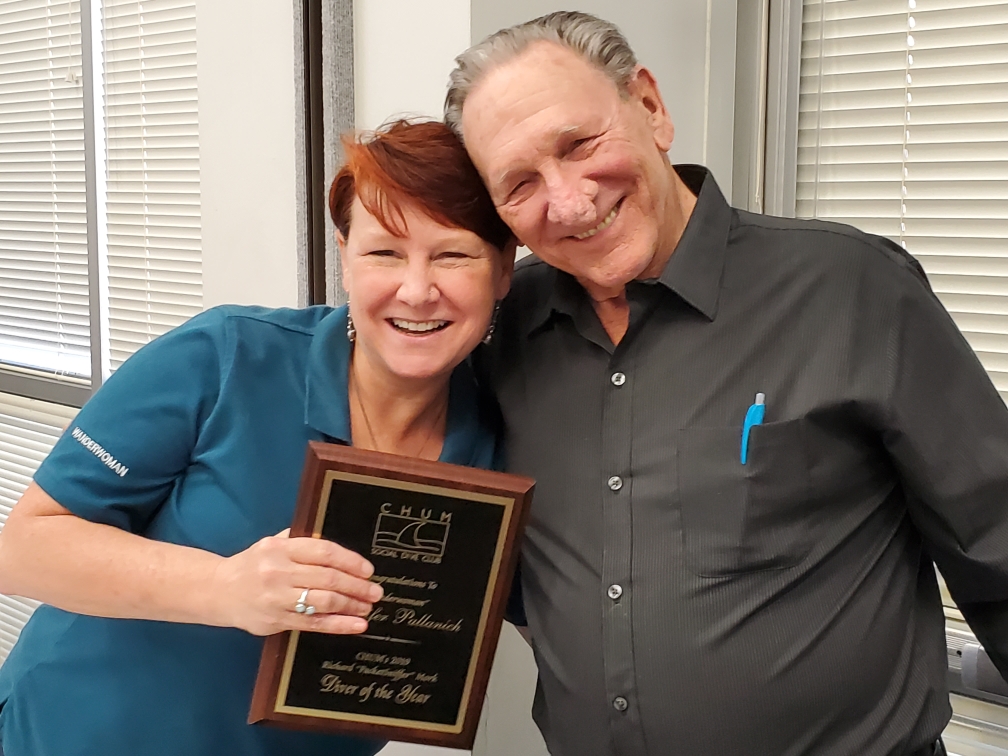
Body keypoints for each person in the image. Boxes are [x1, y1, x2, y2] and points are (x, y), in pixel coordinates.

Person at [445, 11, 1008, 756]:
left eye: (580, 144)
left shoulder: (851, 289)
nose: (570, 201)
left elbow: (997, 543)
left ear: (650, 107)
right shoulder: (501, 332)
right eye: (519, 183)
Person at [0, 119, 515, 756]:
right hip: (71, 735)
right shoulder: (226, 356)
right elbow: (23, 549)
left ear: (503, 272)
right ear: (346, 263)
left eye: (452, 254)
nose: (415, 289)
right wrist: (229, 589)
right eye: (384, 252)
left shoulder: (498, 445)